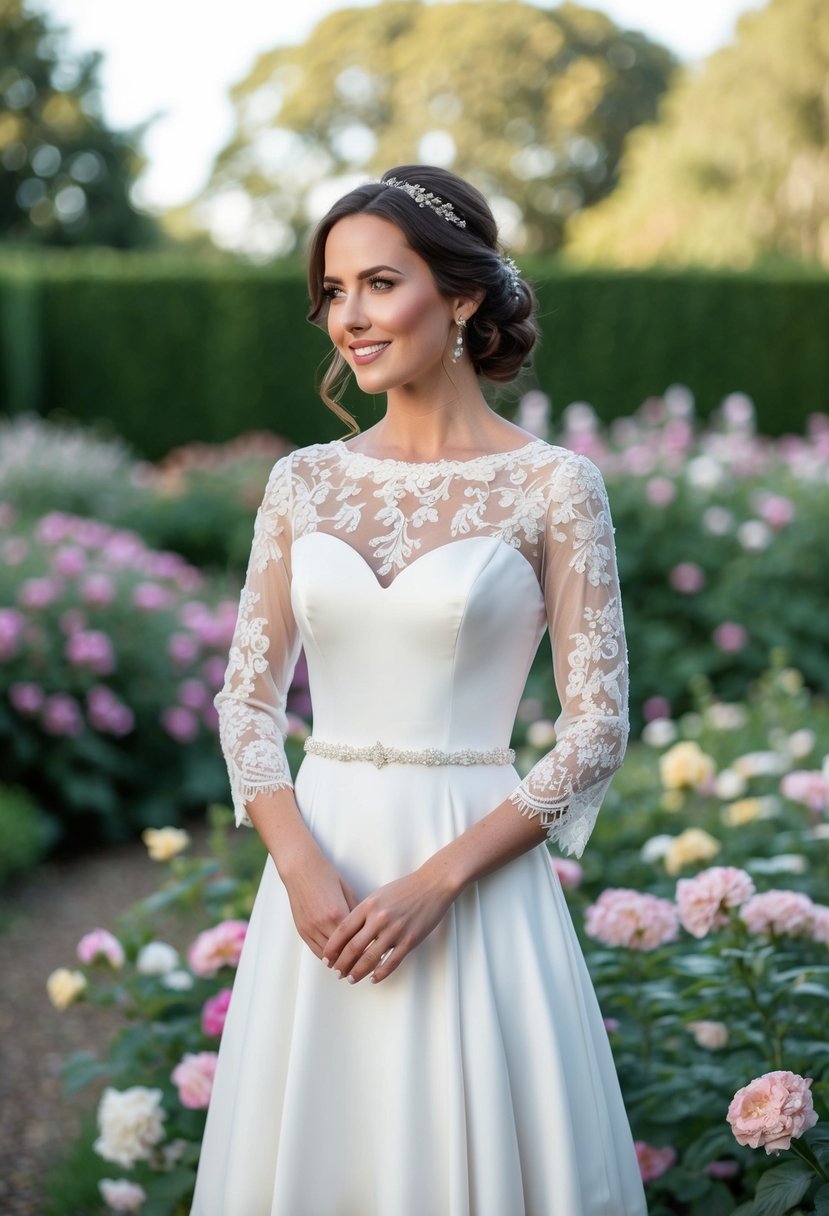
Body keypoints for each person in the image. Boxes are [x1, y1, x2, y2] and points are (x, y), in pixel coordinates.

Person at [190, 164, 647, 1216]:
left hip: (475, 872)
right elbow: (245, 702)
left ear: (463, 294)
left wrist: (437, 883)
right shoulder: (302, 481)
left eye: (379, 283)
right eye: (334, 290)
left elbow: (597, 724)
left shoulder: (554, 486)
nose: (349, 317)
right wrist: (302, 867)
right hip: (321, 882)